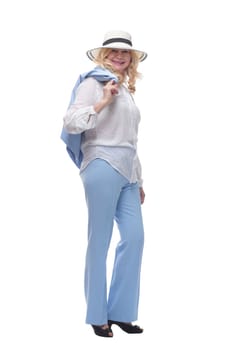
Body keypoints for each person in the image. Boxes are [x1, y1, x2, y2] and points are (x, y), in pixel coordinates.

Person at [61, 30, 147, 338]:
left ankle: (121, 312)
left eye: (125, 53)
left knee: (134, 239)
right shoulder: (93, 83)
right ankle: (98, 315)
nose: (119, 56)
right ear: (103, 55)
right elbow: (71, 122)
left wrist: (138, 180)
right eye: (113, 52)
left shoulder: (126, 90)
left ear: (132, 58)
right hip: (101, 164)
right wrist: (101, 103)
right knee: (100, 240)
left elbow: (131, 140)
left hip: (127, 173)